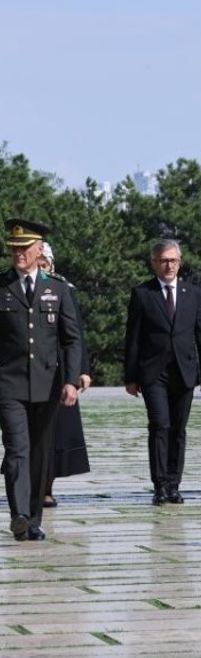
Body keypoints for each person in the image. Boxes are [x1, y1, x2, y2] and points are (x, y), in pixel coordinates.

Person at [1, 219, 82, 541]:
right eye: (13, 248)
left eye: (24, 248)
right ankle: (19, 514)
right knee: (17, 449)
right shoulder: (2, 286)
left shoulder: (57, 289)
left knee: (39, 451)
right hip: (8, 384)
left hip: (47, 385)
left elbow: (71, 339)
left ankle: (33, 519)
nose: (18, 253)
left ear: (39, 250)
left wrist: (72, 380)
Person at [124, 239, 201, 506]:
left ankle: (174, 484)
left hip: (184, 372)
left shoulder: (193, 294)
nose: (169, 265)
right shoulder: (142, 294)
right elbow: (133, 337)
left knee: (178, 429)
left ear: (180, 262)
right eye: (163, 260)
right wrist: (130, 376)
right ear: (154, 263)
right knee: (160, 425)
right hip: (153, 374)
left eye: (173, 260)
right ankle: (160, 484)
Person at [36, 241, 92, 508]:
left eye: (44, 264)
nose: (41, 269)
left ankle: (47, 487)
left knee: (57, 434)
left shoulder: (62, 290)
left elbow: (75, 335)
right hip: (30, 370)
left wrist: (81, 370)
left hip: (61, 370)